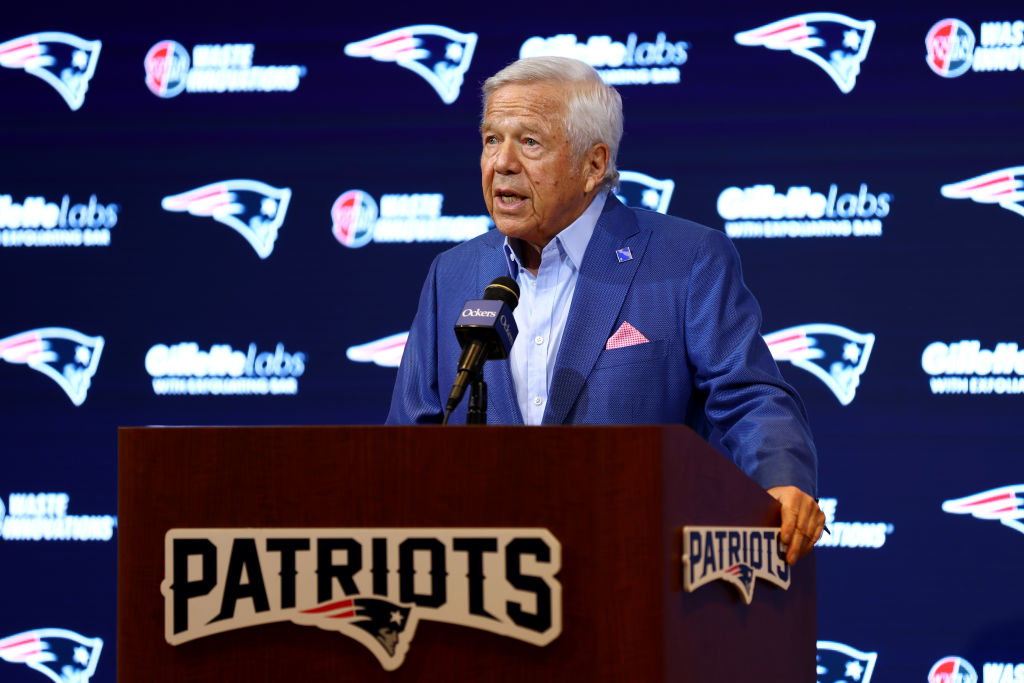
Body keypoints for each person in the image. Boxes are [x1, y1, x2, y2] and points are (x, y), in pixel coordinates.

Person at [387, 56, 825, 565]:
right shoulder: (453, 273)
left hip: (632, 568)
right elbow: (407, 438)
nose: (501, 163)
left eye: (529, 142)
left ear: (593, 165)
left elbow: (749, 395)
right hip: (484, 581)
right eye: (490, 139)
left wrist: (782, 482)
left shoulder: (684, 259)